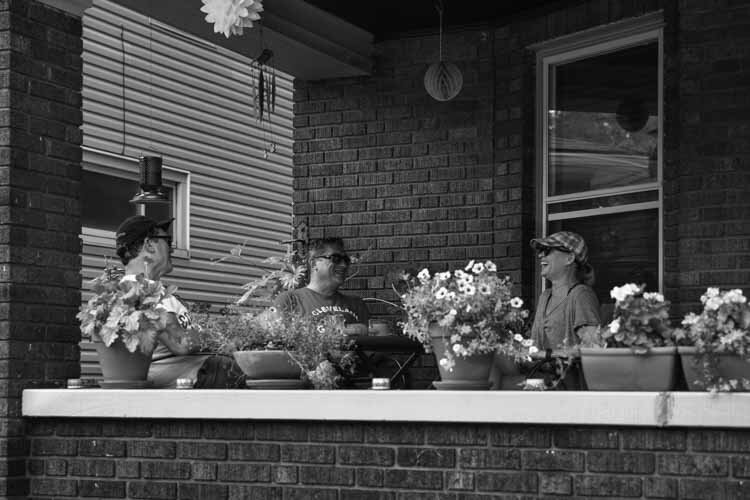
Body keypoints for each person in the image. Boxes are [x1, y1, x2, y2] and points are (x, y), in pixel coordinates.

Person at [114, 215, 242, 388]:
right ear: (149, 245)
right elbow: (181, 343)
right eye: (167, 241)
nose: (171, 248)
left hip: (190, 376)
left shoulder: (138, 288)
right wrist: (221, 338)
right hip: (184, 380)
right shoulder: (140, 289)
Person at [274, 237, 369, 334]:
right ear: (314, 263)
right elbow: (277, 339)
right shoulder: (290, 300)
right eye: (336, 259)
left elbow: (371, 342)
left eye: (346, 260)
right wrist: (346, 329)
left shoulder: (356, 304)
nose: (343, 265)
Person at [528, 230, 601, 349]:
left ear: (569, 258)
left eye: (547, 251)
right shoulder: (545, 296)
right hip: (537, 368)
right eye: (540, 251)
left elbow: (594, 347)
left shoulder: (581, 295)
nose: (540, 255)